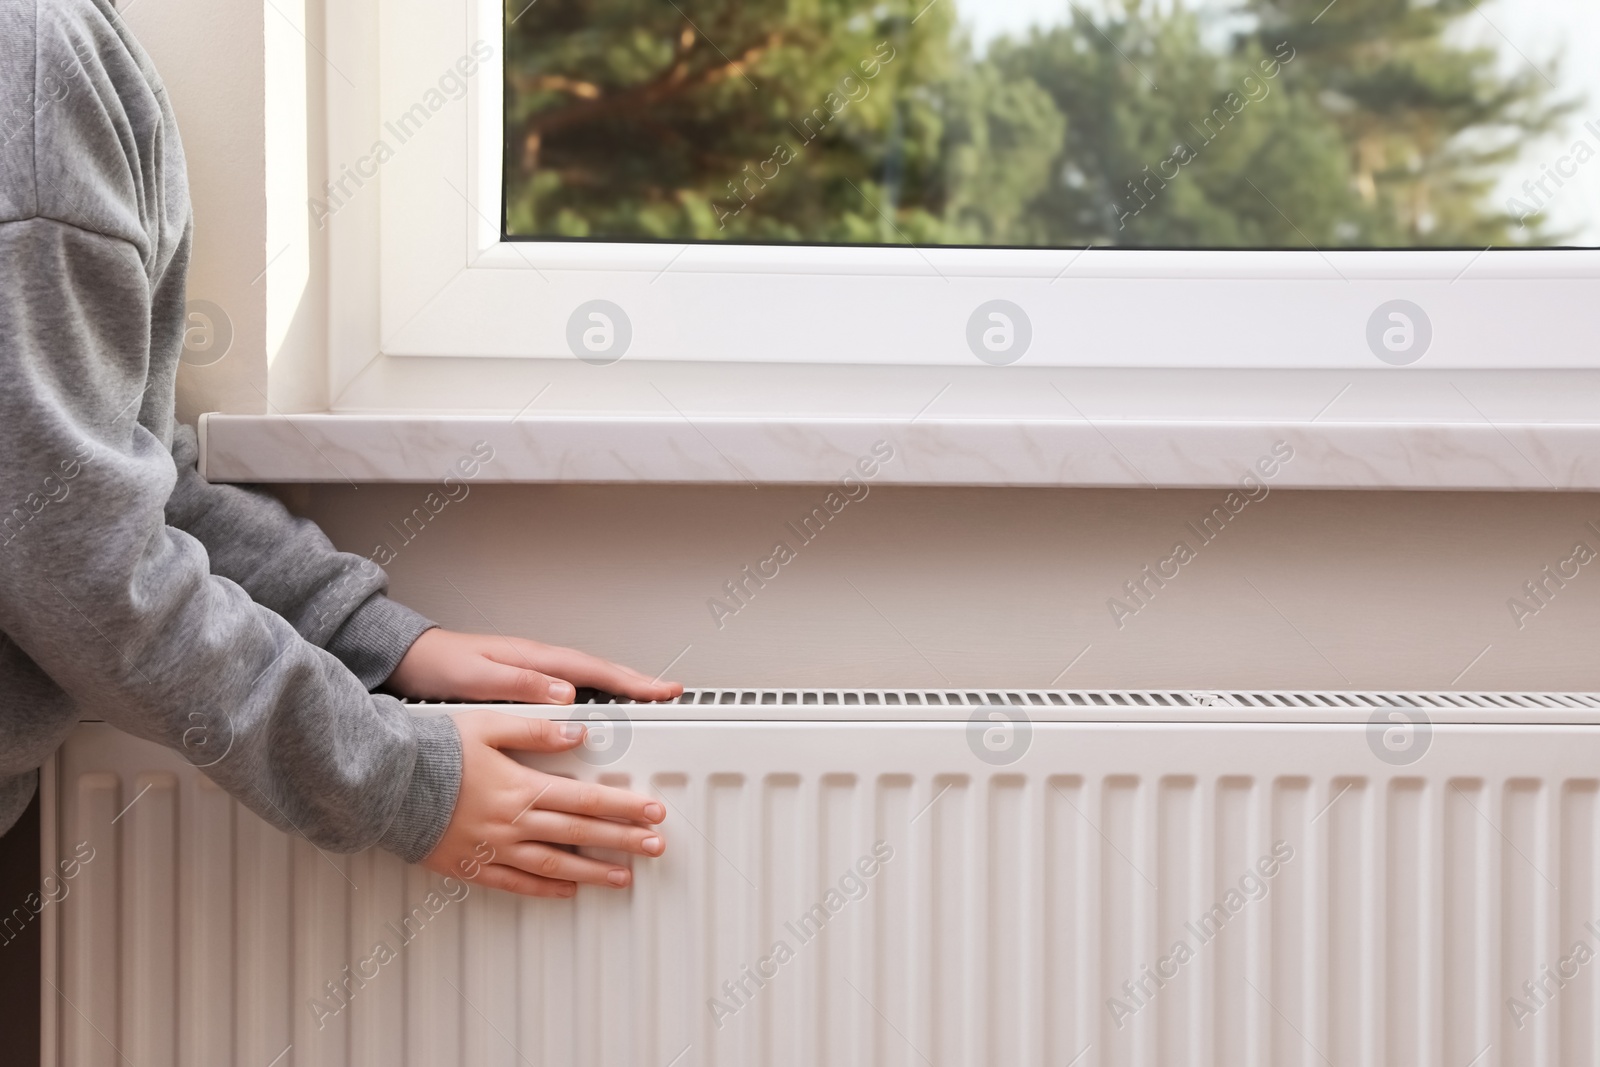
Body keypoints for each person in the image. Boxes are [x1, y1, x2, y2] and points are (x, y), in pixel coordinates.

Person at [0, 0, 680, 896]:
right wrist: (389, 778)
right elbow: (73, 556)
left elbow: (102, 475)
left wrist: (368, 638)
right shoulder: (32, 55)